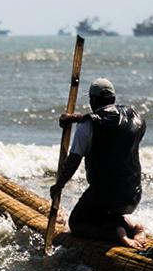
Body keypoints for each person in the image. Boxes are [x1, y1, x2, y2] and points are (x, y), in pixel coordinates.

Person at [50, 78, 147, 249]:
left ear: (92, 101)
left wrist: (59, 185)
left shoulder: (88, 125)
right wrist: (74, 119)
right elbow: (109, 123)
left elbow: (73, 160)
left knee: (77, 223)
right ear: (114, 99)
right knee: (104, 216)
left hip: (105, 195)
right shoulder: (135, 118)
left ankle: (116, 237)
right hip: (132, 194)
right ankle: (134, 228)